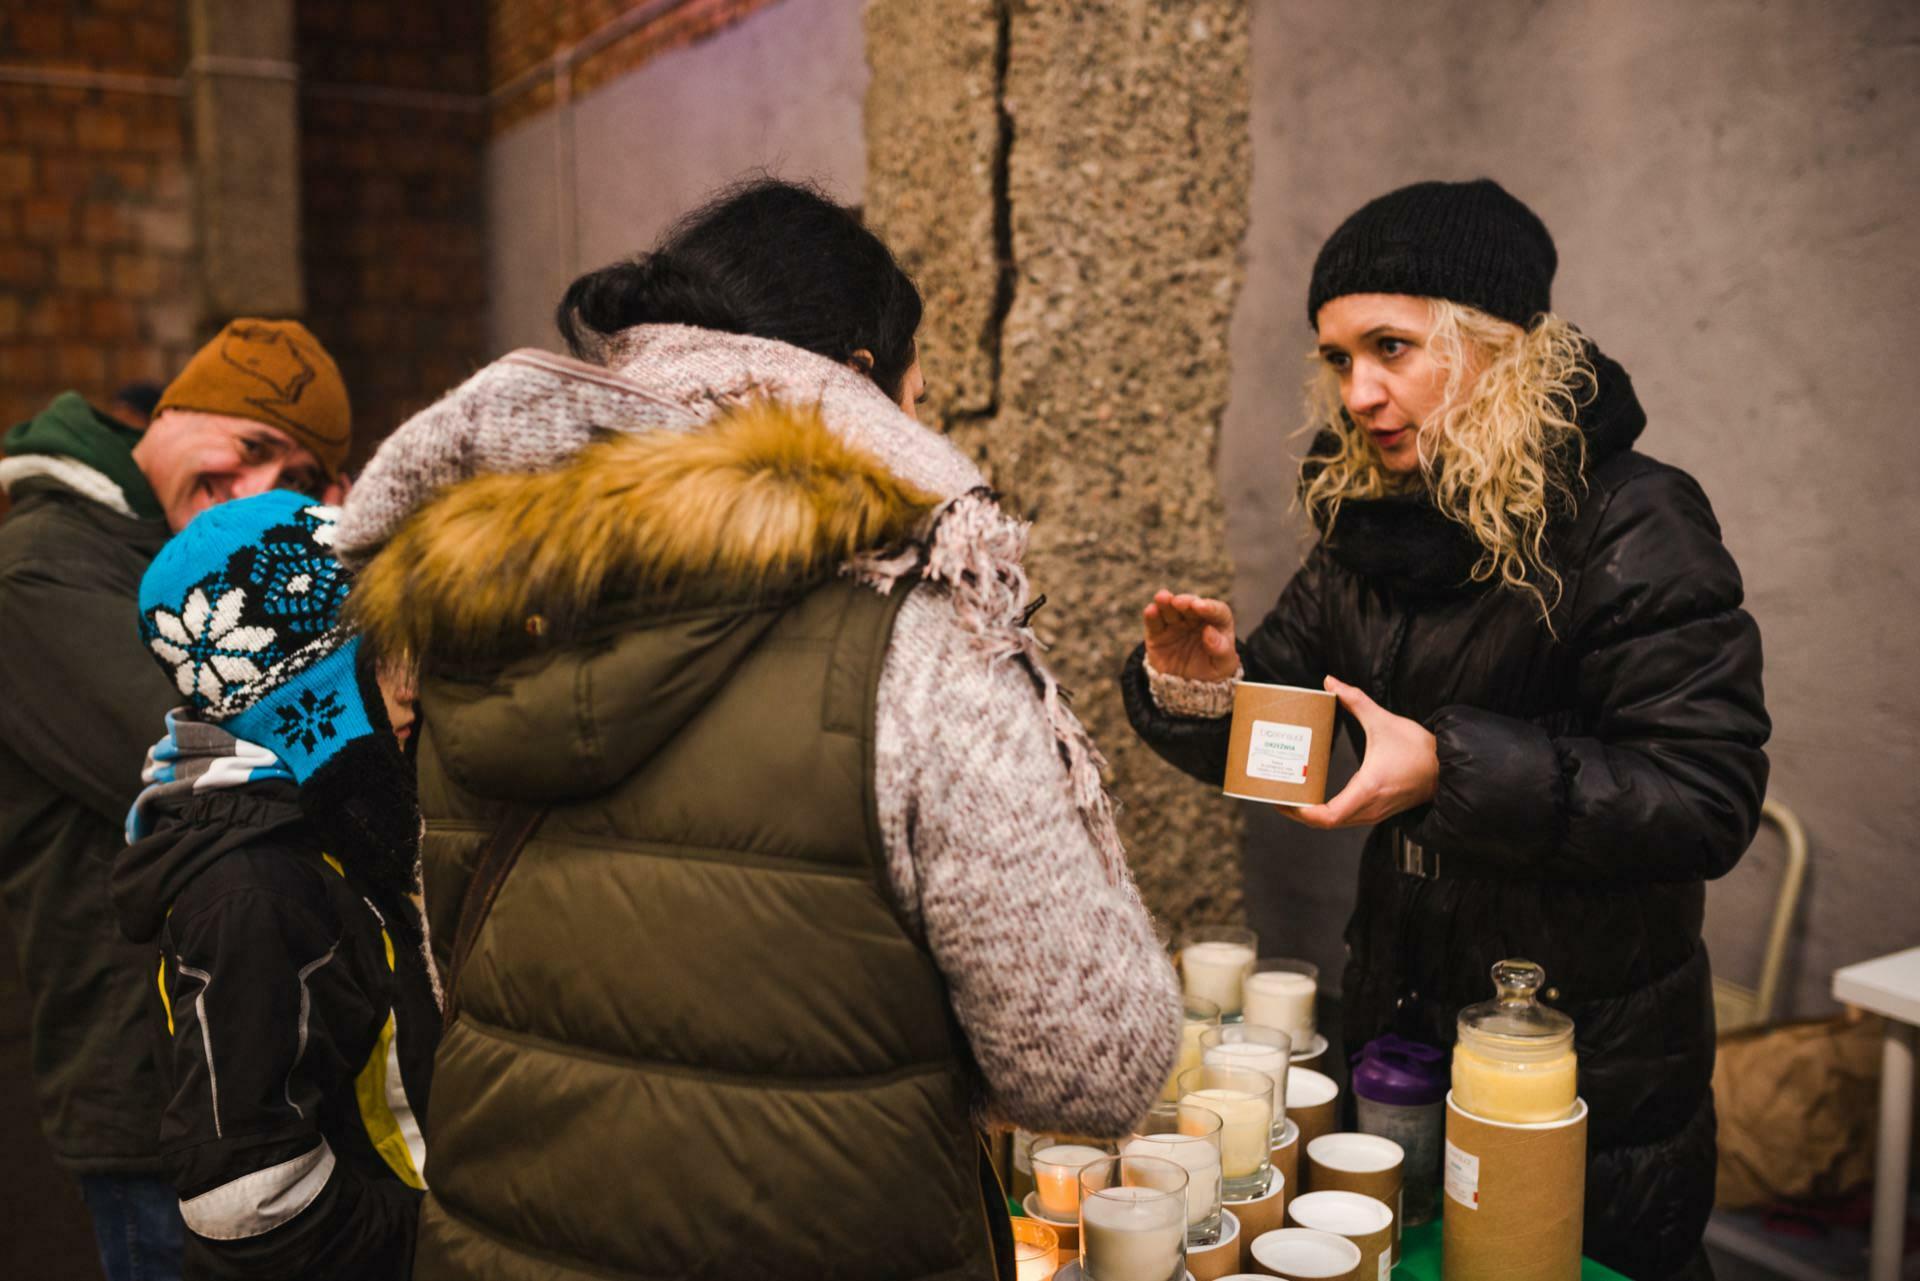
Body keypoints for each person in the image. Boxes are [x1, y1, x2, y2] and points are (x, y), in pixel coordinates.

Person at [335, 178, 1180, 1280]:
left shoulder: (474, 611)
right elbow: (1092, 1067)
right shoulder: (916, 636)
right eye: (920, 398)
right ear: (862, 384)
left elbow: (471, 980)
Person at [1121, 179, 1768, 1281]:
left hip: (1578, 1055)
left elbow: (1704, 799)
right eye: (1337, 359)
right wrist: (1208, 693)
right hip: (1400, 1013)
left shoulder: (1636, 516)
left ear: (1500, 345)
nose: (1361, 392)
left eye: (1392, 346)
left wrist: (1448, 770)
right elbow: (1296, 738)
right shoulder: (1368, 524)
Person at [0, 319, 350, 1281]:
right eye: (248, 445)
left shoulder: (157, 551)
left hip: (246, 1074)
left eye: (296, 475)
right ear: (178, 409)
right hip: (152, 1096)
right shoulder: (40, 566)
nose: (253, 487)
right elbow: (212, 758)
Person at [110, 491, 435, 1280]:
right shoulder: (251, 889)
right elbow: (248, 1203)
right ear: (309, 702)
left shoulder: (330, 824)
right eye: (385, 653)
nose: (415, 685)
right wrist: (436, 1244)